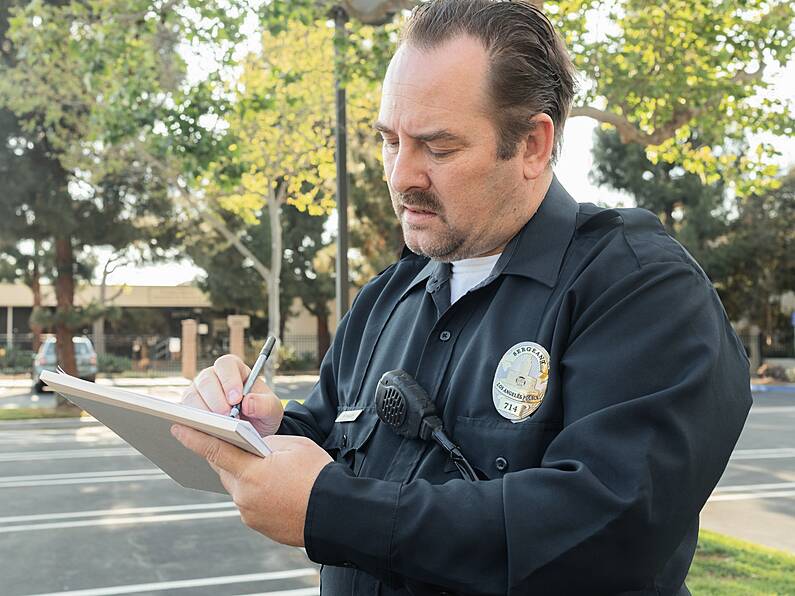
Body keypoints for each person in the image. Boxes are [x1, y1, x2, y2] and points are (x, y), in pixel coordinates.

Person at [172, 1, 752, 594]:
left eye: (438, 148)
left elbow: (606, 529)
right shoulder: (386, 297)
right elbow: (336, 443)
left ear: (531, 144)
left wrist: (333, 510)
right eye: (389, 141)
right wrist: (261, 429)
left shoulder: (638, 287)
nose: (401, 176)